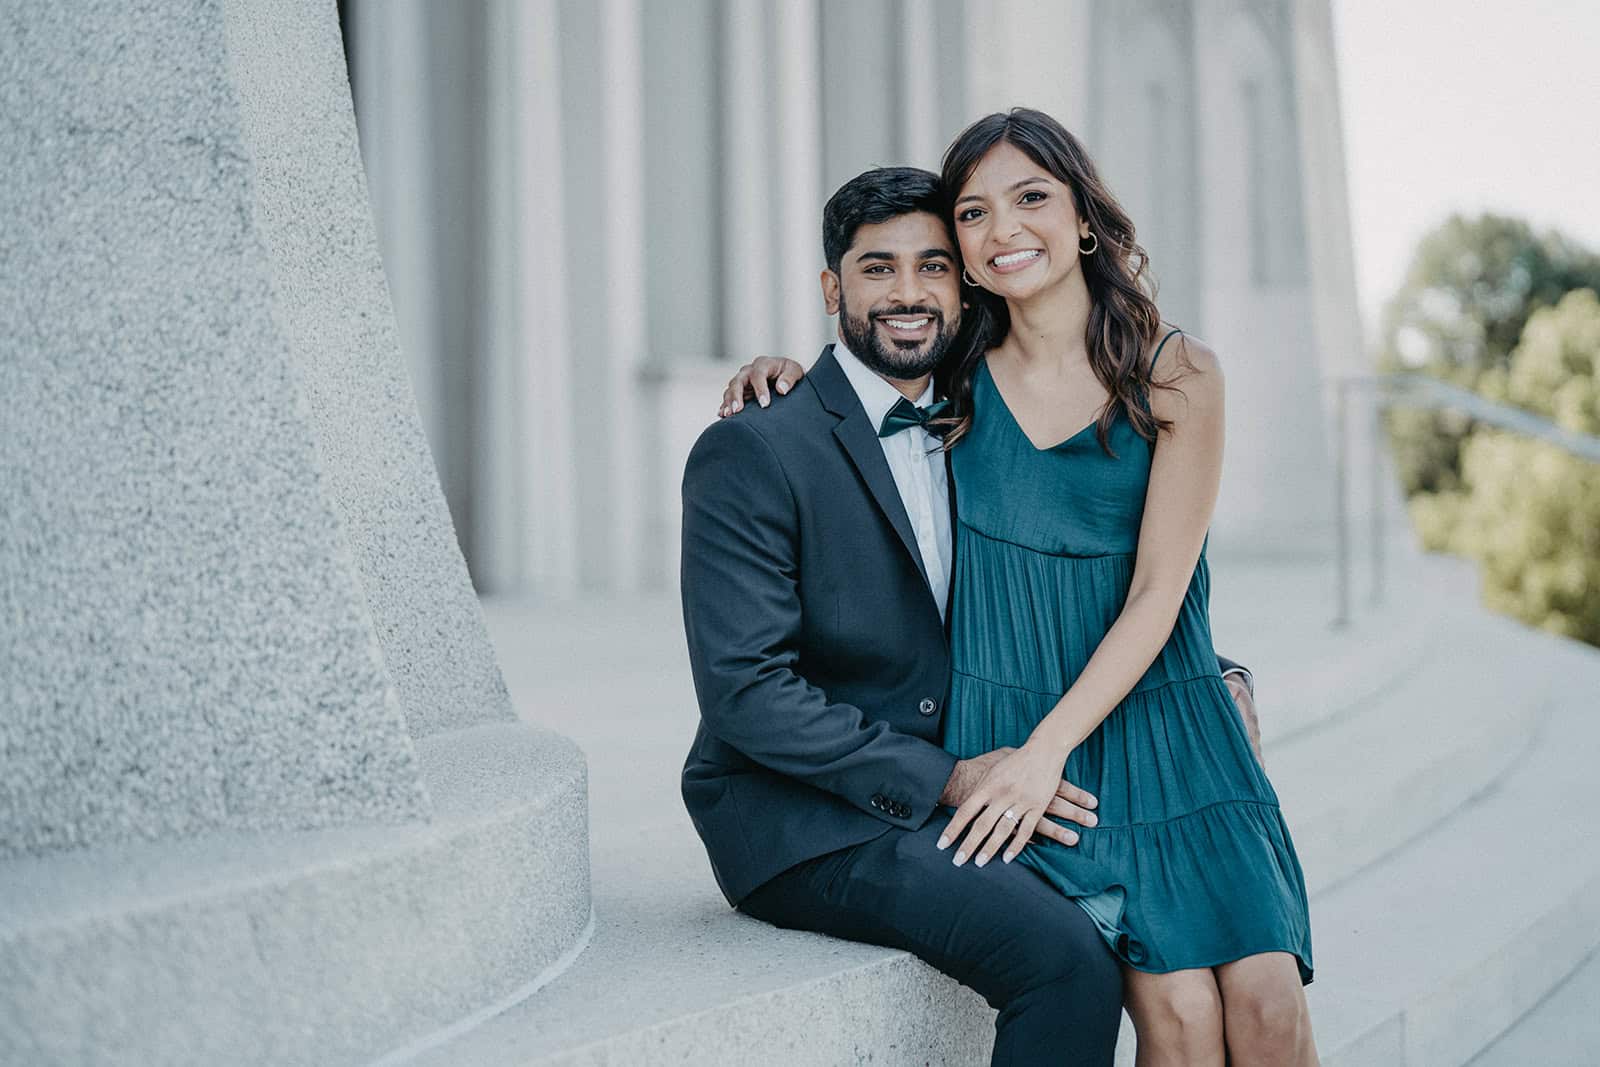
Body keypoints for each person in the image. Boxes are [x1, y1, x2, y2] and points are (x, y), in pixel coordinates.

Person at [718, 109, 1316, 1067]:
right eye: (976, 212)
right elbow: (865, 375)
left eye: (1031, 198)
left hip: (1165, 724)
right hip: (1026, 729)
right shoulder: (955, 376)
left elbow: (1161, 593)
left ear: (1083, 215)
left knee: (1267, 1003)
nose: (1005, 231)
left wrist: (1056, 748)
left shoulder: (1178, 375)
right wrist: (782, 370)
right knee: (1180, 1016)